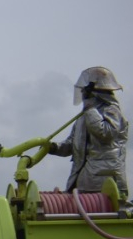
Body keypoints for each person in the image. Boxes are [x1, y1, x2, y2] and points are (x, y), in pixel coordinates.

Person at [49, 66, 128, 202]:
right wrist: (53, 147)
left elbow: (105, 132)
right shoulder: (83, 117)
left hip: (105, 182)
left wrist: (90, 109)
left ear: (93, 91)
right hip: (85, 183)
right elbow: (72, 143)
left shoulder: (112, 111)